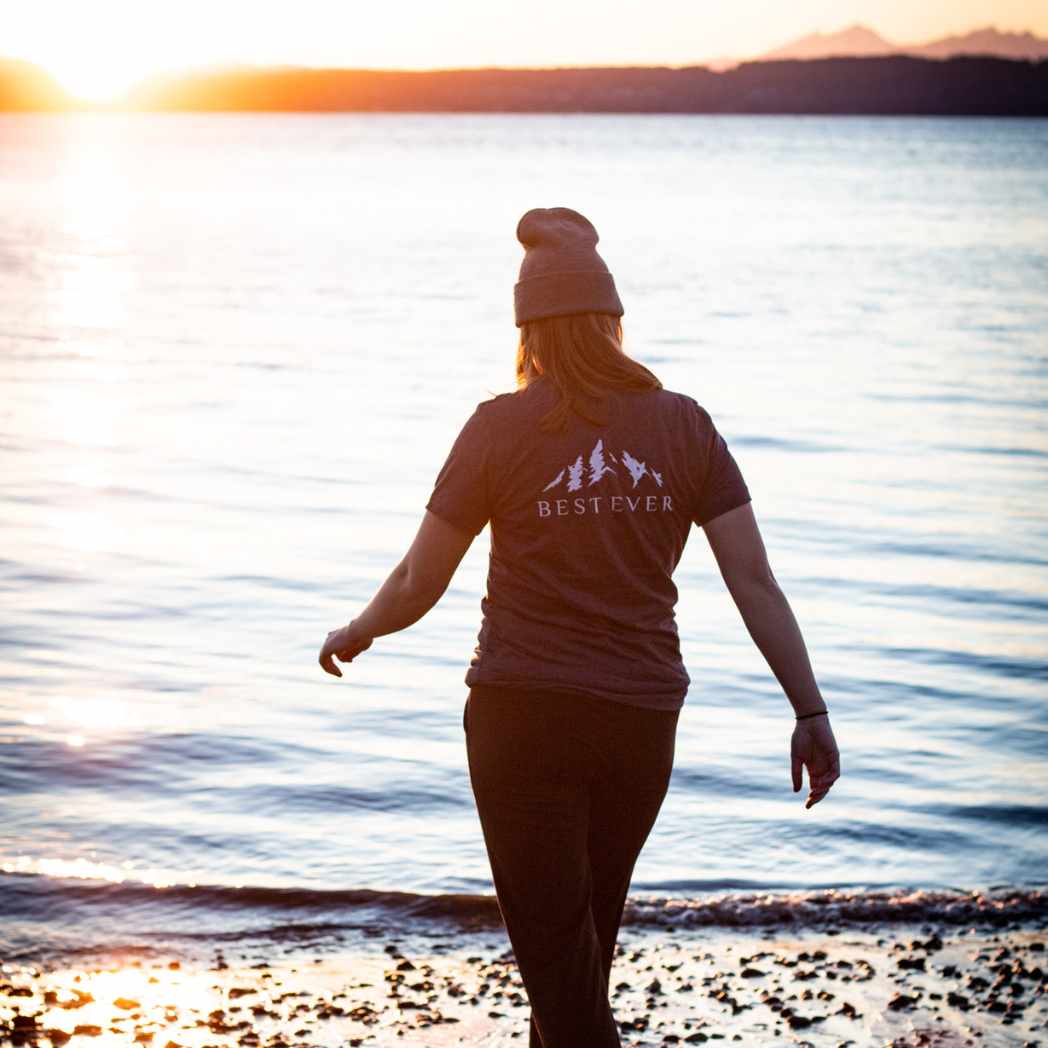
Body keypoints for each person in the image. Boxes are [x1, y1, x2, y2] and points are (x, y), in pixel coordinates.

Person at [318, 206, 841, 1047]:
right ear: (610, 318)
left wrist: (357, 629)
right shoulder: (685, 423)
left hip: (523, 717)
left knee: (562, 972)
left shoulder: (498, 427)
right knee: (578, 957)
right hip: (640, 722)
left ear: (528, 326)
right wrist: (809, 710)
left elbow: (420, 579)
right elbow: (755, 581)